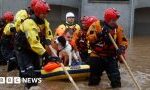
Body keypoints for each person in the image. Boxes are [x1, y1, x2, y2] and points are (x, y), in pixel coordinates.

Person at [14, 1, 59, 89]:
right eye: (44, 13)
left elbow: (48, 33)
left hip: (34, 49)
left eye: (47, 12)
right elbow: (34, 43)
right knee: (29, 72)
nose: (46, 15)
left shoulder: (44, 21)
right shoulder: (29, 23)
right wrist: (46, 54)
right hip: (23, 49)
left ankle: (33, 86)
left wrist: (48, 40)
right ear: (38, 12)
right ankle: (27, 86)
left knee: (37, 71)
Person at [87, 8, 128, 88]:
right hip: (97, 55)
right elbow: (89, 38)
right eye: (113, 20)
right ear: (107, 18)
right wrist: (100, 34)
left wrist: (122, 48)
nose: (114, 22)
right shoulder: (96, 25)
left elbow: (123, 41)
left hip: (110, 57)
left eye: (115, 20)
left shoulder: (118, 29)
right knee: (94, 80)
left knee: (116, 80)